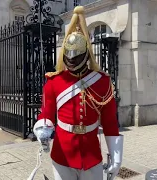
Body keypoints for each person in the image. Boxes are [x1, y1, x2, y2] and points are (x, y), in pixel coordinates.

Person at [32, 6, 123, 180]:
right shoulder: (54, 81)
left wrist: (116, 157)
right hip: (62, 154)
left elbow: (110, 122)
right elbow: (47, 113)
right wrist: (42, 127)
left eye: (77, 56)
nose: (72, 60)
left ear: (87, 55)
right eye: (69, 55)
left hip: (91, 155)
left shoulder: (102, 81)